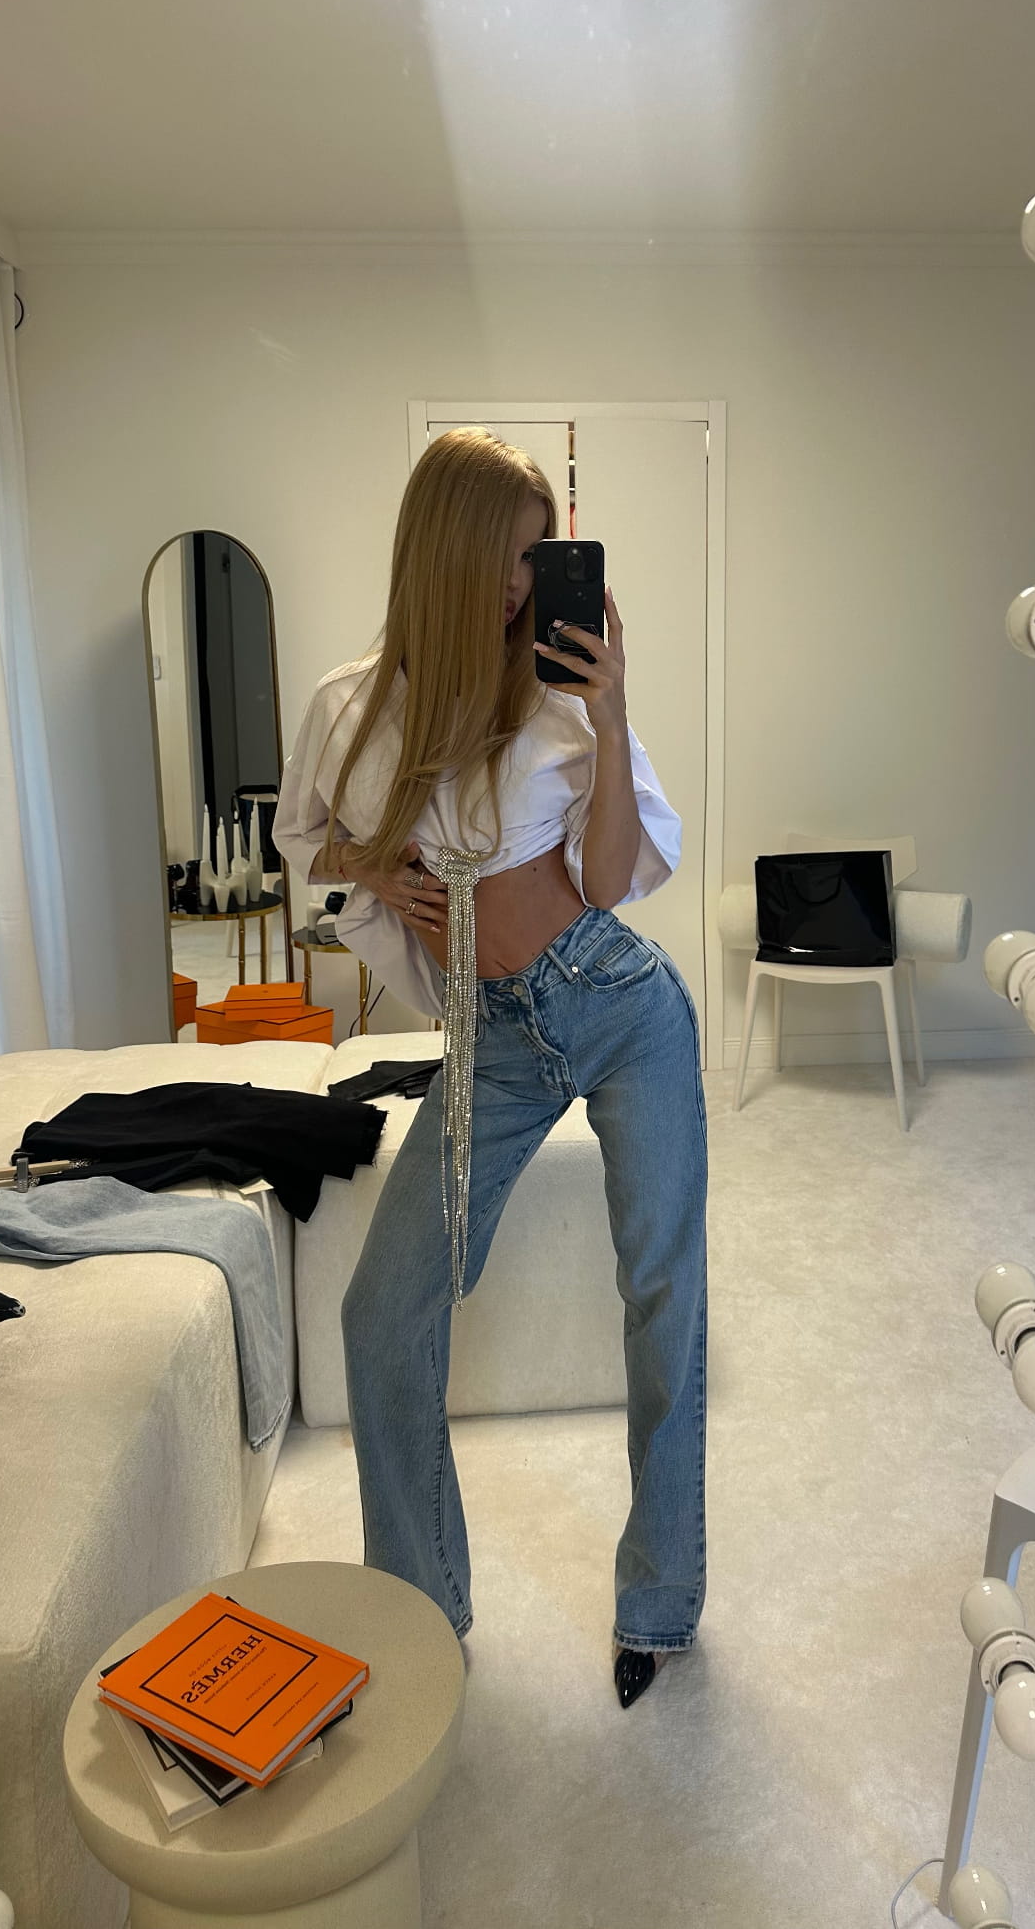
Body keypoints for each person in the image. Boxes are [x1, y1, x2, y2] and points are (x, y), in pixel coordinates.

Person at [275, 428, 707, 1709]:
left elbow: (611, 878)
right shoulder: (349, 706)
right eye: (511, 554)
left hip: (617, 1002)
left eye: (540, 556)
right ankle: (422, 1612)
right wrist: (384, 869)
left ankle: (659, 1601)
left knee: (662, 1298)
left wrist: (611, 713)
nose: (526, 582)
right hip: (491, 1037)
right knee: (381, 1312)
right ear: (448, 547)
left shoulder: (561, 694)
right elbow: (310, 841)